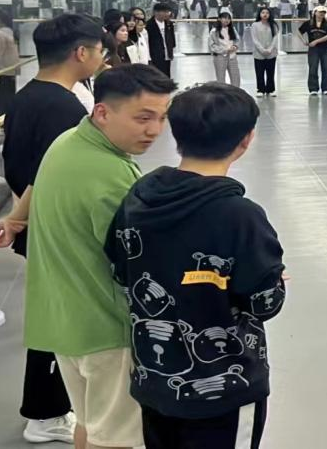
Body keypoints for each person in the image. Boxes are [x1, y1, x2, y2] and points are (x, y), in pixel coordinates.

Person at [105, 83, 285, 449]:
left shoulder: (139, 197)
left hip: (155, 382)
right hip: (224, 390)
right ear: (246, 140)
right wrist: (275, 280)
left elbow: (120, 266)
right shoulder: (240, 216)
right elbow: (264, 303)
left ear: (176, 133)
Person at [21, 65, 177, 449]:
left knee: (89, 426)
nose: (155, 130)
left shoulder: (67, 143)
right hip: (107, 328)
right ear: (103, 112)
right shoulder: (110, 174)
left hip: (64, 318)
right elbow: (140, 263)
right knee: (115, 439)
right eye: (143, 118)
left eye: (162, 118)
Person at [0, 14, 105, 445]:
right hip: (54, 226)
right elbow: (49, 175)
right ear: (81, 52)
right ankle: (45, 413)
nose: (101, 57)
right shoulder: (63, 108)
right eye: (99, 50)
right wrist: (20, 218)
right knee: (60, 322)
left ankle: (49, 408)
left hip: (38, 221)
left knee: (53, 315)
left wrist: (17, 218)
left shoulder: (27, 97)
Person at [299, 6, 327, 96]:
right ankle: (313, 88)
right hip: (313, 50)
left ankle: (326, 88)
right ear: (315, 13)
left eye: (323, 12)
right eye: (320, 12)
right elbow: (299, 31)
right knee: (313, 68)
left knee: (326, 68)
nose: (321, 14)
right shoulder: (308, 23)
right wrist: (304, 41)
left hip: (326, 48)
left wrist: (316, 41)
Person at [251, 6, 278, 97]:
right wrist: (262, 50)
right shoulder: (255, 25)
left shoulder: (273, 25)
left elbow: (275, 38)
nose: (265, 14)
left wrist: (270, 49)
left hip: (271, 53)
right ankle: (260, 89)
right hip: (259, 53)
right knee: (259, 72)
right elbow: (255, 39)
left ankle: (270, 89)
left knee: (271, 72)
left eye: (267, 13)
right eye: (263, 13)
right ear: (259, 14)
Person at [208, 11, 241, 87]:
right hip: (220, 57)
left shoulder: (232, 29)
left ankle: (235, 92)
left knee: (236, 77)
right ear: (219, 19)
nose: (227, 20)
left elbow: (237, 40)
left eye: (228, 18)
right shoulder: (214, 31)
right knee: (221, 78)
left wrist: (235, 46)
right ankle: (222, 93)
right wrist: (225, 50)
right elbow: (212, 46)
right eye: (224, 18)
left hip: (232, 56)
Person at [146, 2, 177, 77]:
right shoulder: (149, 25)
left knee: (167, 74)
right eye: (165, 12)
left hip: (167, 54)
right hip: (155, 56)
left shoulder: (169, 24)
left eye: (168, 12)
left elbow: (172, 38)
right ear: (156, 12)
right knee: (157, 75)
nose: (167, 14)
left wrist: (171, 48)